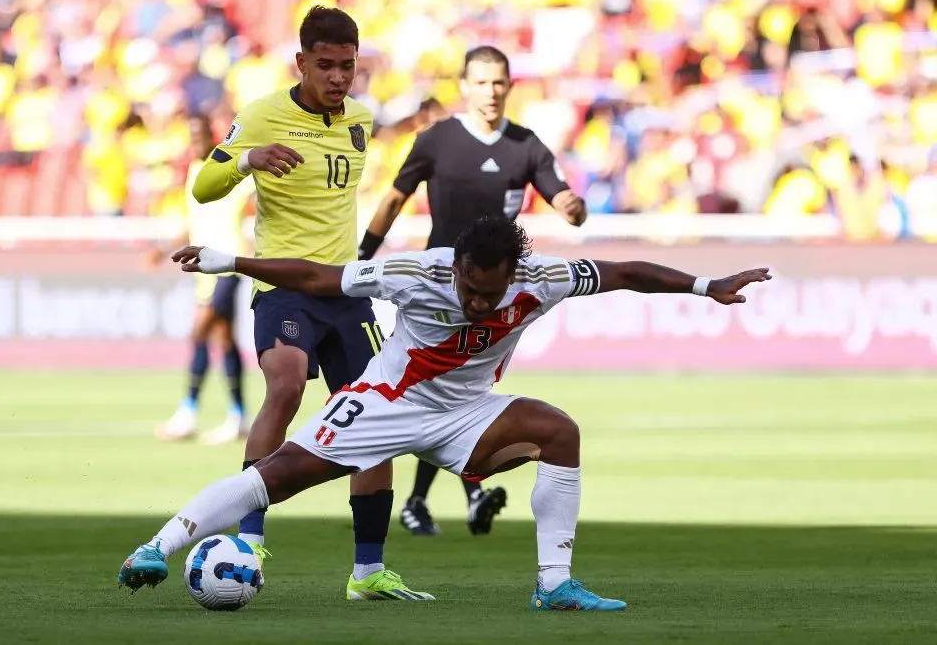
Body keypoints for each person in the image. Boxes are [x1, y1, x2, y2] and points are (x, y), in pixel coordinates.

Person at [118, 215, 770, 609]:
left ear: (513, 271)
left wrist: (705, 285)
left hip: (466, 415)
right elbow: (321, 277)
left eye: (491, 292)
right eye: (470, 287)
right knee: (275, 477)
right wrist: (231, 261)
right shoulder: (415, 273)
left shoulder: (541, 279)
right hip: (385, 404)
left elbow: (624, 270)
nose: (480, 302)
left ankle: (554, 584)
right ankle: (158, 545)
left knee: (559, 431)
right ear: (454, 265)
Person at [179, 5, 429, 600]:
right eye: (326, 65)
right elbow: (203, 185)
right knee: (286, 385)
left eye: (347, 66)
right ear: (301, 62)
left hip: (348, 294)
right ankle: (249, 537)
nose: (339, 77)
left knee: (377, 420)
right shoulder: (264, 115)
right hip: (284, 287)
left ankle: (368, 572)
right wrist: (247, 160)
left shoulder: (361, 121)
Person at [358, 45, 588, 537]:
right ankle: (449, 494)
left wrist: (573, 208)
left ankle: (433, 498)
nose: (490, 92)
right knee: (440, 393)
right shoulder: (437, 140)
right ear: (464, 86)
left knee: (459, 395)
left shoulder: (525, 146)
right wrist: (364, 255)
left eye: (498, 82)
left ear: (510, 86)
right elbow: (395, 196)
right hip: (440, 293)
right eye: (481, 82)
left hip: (494, 296)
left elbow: (562, 196)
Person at [149, 115, 254, 445]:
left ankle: (188, 412)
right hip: (203, 268)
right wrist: (164, 248)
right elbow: (194, 221)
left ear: (212, 134)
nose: (195, 139)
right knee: (223, 340)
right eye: (190, 134)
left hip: (227, 263)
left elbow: (253, 201)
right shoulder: (195, 172)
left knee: (200, 331)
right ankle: (238, 416)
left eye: (199, 132)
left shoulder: (229, 167)